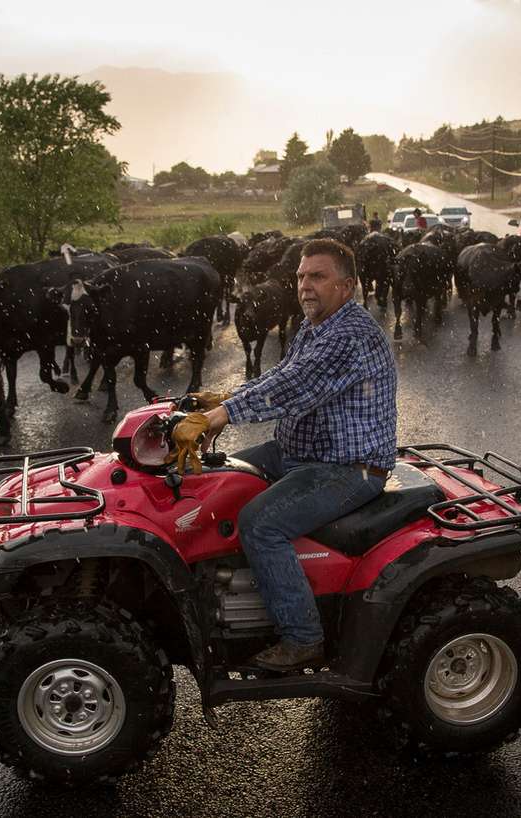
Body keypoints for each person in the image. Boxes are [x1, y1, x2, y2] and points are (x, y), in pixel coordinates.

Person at [170, 238, 398, 672]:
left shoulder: (351, 334)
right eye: (300, 276)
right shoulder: (318, 326)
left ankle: (302, 637)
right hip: (299, 452)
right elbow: (282, 373)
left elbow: (295, 387)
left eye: (318, 276)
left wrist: (221, 415)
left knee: (260, 522)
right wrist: (224, 396)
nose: (304, 286)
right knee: (216, 481)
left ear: (346, 286)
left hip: (346, 468)